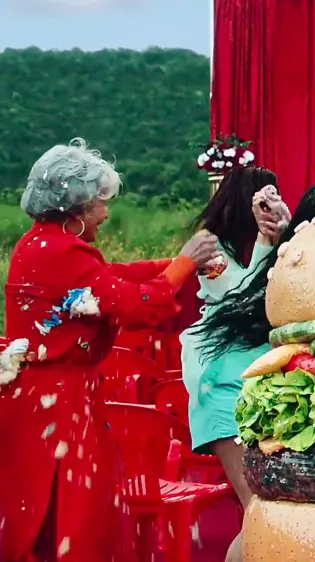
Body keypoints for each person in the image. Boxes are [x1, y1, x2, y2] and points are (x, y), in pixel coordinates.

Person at [0, 138, 220, 561]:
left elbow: (107, 276)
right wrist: (183, 264)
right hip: (57, 409)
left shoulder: (40, 244)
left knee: (40, 515)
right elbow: (136, 306)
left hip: (39, 403)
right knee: (73, 517)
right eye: (99, 202)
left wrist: (172, 263)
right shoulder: (62, 252)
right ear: (76, 208)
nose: (105, 212)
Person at [186, 177, 315, 561]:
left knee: (273, 518)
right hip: (226, 395)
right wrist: (273, 244)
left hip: (255, 397)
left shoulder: (292, 254)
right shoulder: (217, 250)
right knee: (260, 517)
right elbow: (237, 296)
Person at [178, 166, 286, 560]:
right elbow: (239, 295)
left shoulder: (274, 241)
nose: (268, 209)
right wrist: (265, 243)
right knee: (257, 509)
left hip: (258, 388)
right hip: (223, 389)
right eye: (262, 201)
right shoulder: (208, 247)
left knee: (267, 509)